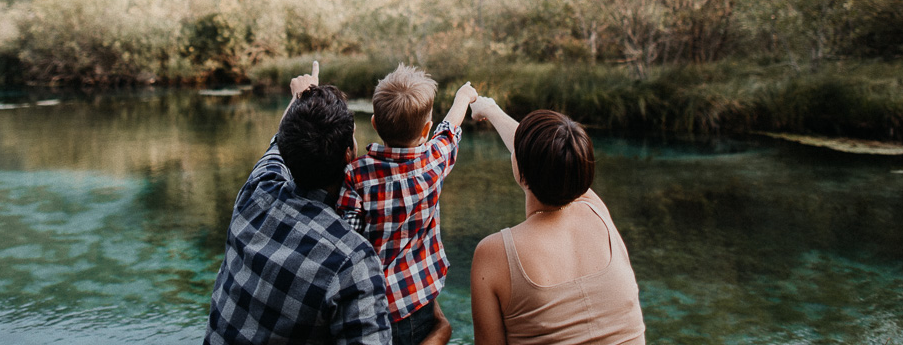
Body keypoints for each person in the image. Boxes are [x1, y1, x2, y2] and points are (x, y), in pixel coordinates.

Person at [202, 63, 452, 345]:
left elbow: (279, 144)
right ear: (349, 154)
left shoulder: (257, 192)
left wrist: (301, 100)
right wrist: (439, 336)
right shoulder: (351, 260)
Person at [468, 101, 646, 345]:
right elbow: (551, 157)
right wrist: (492, 111)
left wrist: (491, 111)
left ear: (519, 168)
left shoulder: (495, 252)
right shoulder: (596, 211)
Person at [336, 64, 478, 345]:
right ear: (426, 128)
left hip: (372, 309)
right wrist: (463, 97)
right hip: (420, 301)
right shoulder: (434, 162)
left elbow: (346, 241)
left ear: (374, 123)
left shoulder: (355, 174)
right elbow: (449, 131)